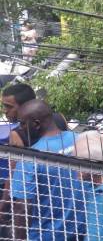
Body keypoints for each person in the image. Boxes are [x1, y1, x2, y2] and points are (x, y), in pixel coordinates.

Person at [9, 99, 85, 240]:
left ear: (36, 124)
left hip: (45, 236)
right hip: (82, 231)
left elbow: (22, 207)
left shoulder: (31, 158)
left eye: (22, 123)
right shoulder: (80, 141)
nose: (20, 128)